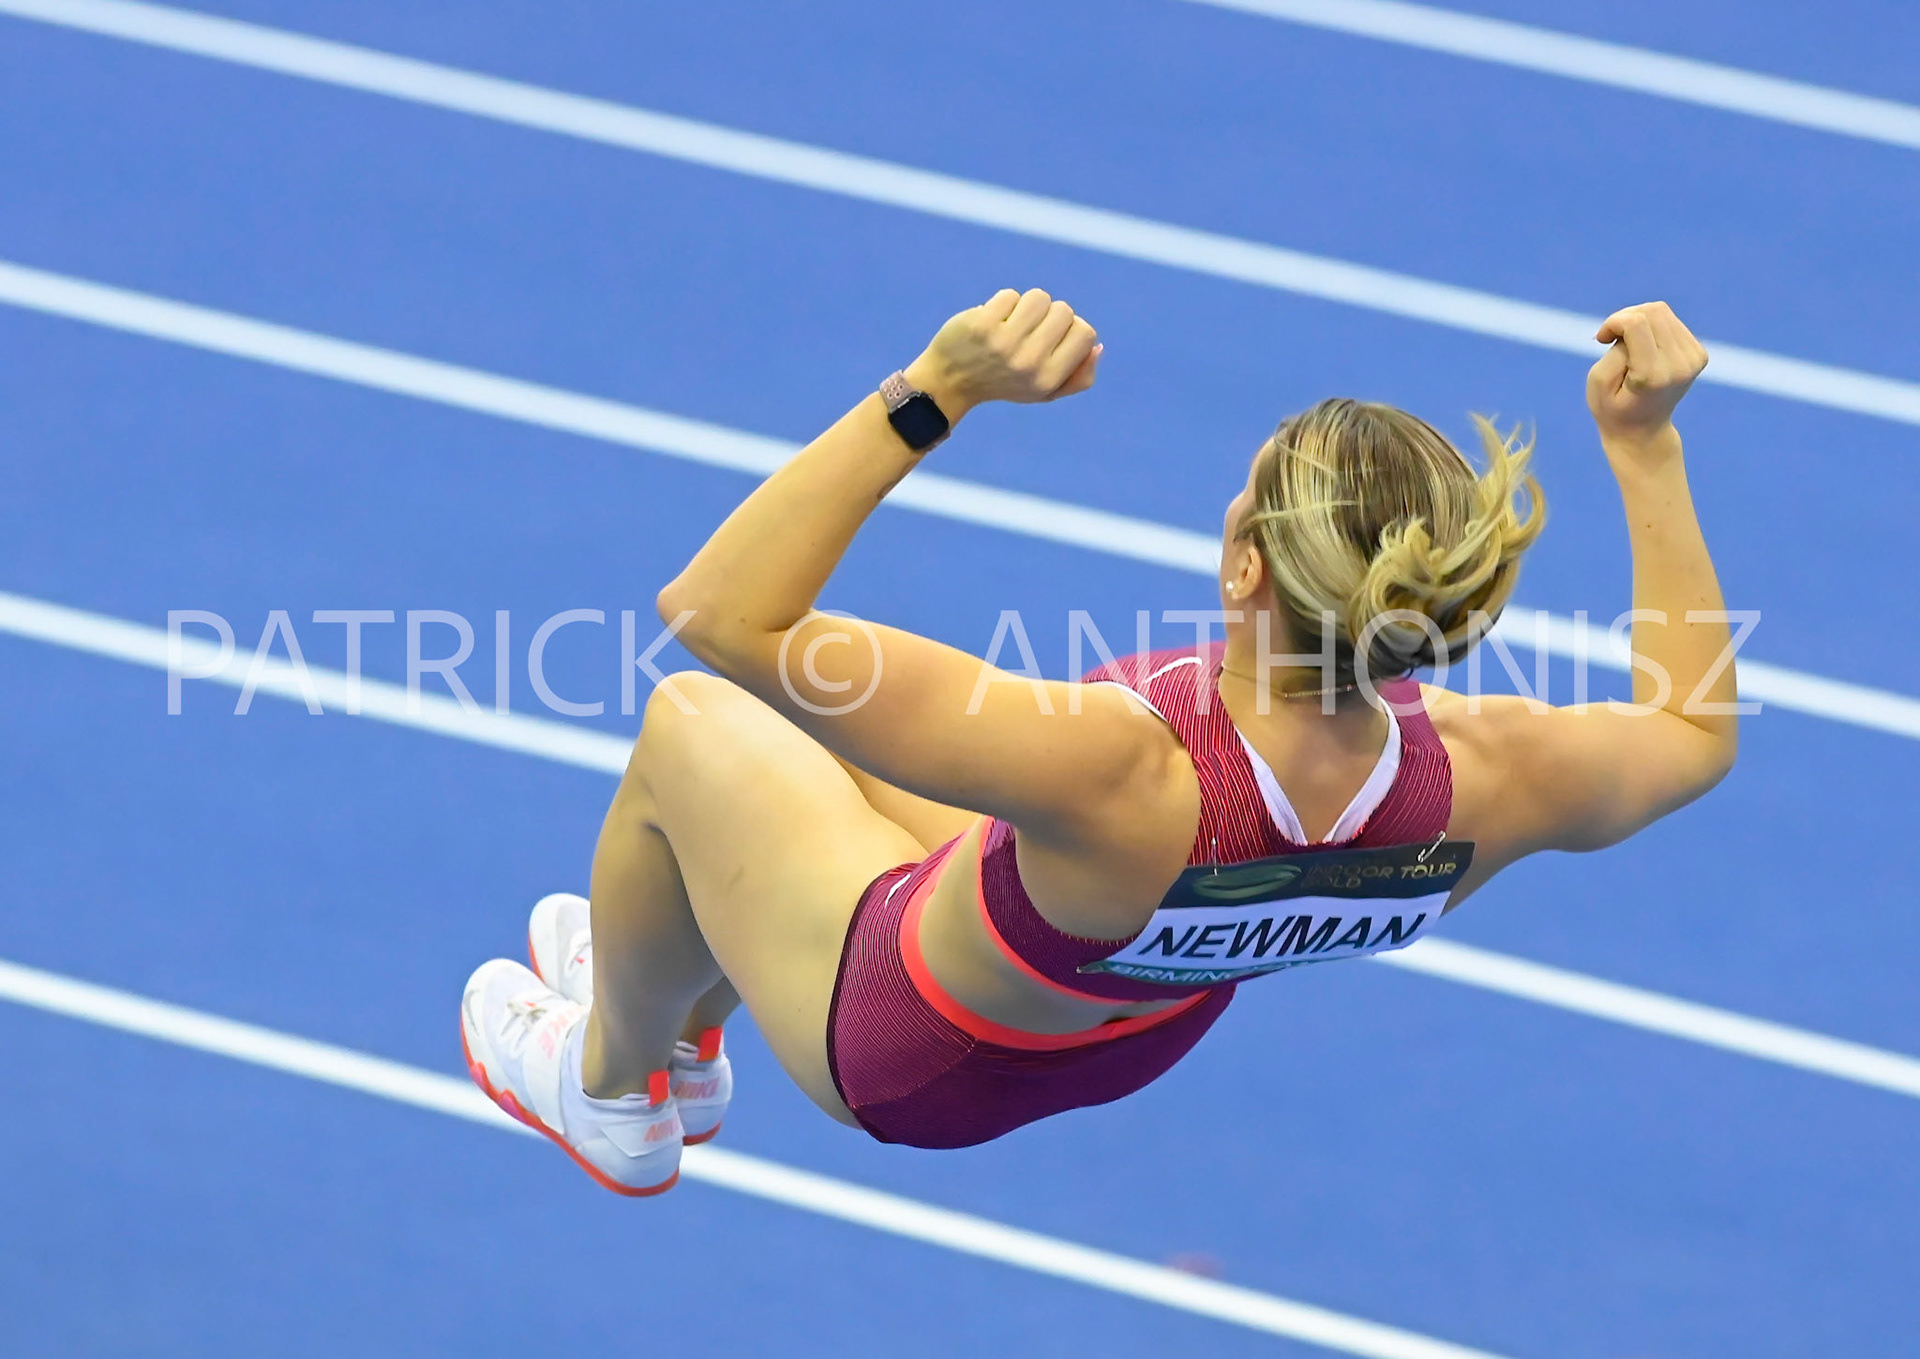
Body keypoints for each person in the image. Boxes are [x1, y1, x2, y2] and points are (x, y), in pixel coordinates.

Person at [461, 288, 1735, 1195]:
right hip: (1119, 1019)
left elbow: (719, 614)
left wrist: (936, 390)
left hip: (907, 1044)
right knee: (835, 750)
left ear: (1245, 566)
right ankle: (675, 993)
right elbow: (1690, 730)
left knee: (698, 728)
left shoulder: (1111, 764)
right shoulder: (1484, 783)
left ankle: (623, 1079)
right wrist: (1647, 447)